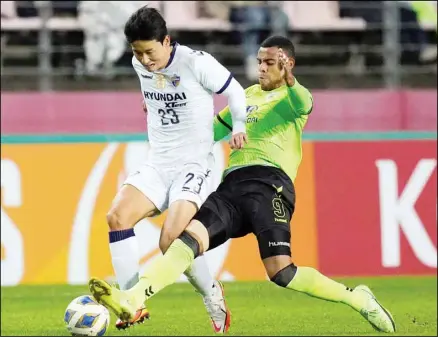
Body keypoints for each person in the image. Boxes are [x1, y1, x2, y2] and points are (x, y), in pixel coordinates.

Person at [89, 35, 396, 334]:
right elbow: (208, 130)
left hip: (270, 185)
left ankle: (358, 299)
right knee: (184, 243)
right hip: (232, 187)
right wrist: (167, 108)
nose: (261, 67)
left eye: (269, 62)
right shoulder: (247, 96)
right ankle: (133, 297)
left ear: (287, 64)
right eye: (259, 61)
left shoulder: (292, 98)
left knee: (281, 272)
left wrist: (290, 80)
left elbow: (305, 103)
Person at [104, 5, 248, 332]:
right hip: (159, 162)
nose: (144, 60)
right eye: (137, 53)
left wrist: (238, 124)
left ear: (167, 41)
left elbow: (235, 90)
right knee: (117, 217)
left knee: (171, 240)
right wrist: (149, 100)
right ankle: (131, 303)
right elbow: (153, 88)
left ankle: (212, 294)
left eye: (149, 52)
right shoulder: (140, 65)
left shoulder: (196, 62)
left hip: (193, 163)